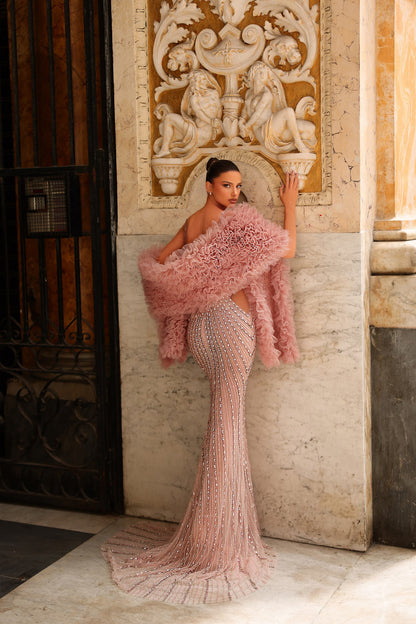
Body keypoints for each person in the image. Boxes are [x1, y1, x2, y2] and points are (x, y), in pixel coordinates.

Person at [101, 158, 299, 605]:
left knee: (223, 422)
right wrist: (289, 205)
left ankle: (215, 530)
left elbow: (162, 264)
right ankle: (217, 541)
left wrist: (201, 283)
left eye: (238, 186)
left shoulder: (193, 222)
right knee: (227, 425)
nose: (234, 193)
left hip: (203, 328)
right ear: (209, 186)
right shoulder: (235, 224)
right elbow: (285, 249)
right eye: (227, 185)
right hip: (230, 328)